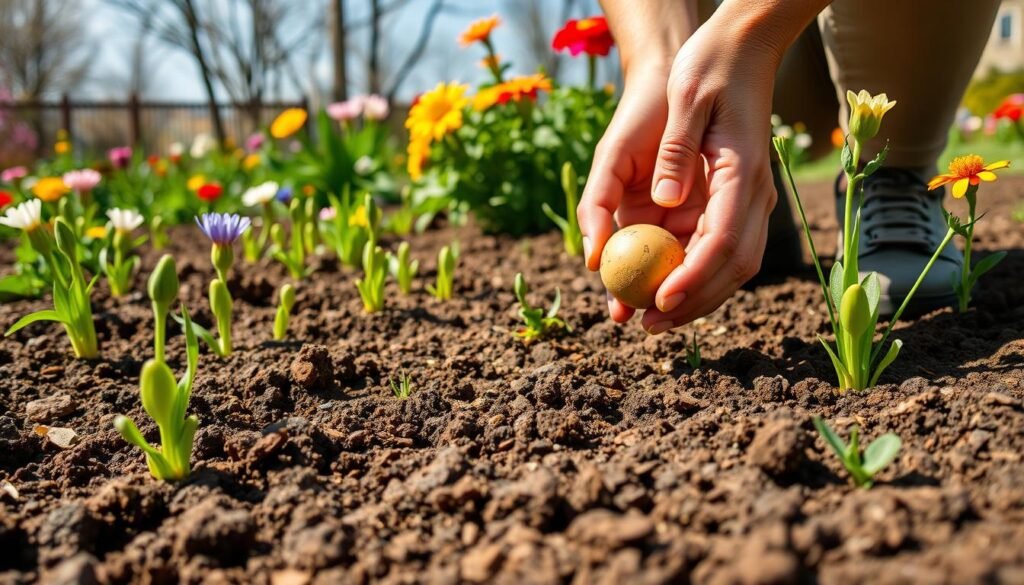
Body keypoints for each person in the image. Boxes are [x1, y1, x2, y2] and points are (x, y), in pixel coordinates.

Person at [578, 0, 1001, 334]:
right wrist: (661, 63)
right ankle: (739, 170)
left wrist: (751, 30)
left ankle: (893, 164)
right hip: (771, 72)